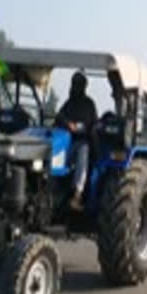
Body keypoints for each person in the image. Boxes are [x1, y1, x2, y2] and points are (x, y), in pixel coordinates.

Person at [55, 71, 98, 209]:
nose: (76, 87)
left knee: (83, 154)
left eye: (79, 84)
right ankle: (54, 189)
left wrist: (83, 127)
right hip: (67, 142)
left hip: (83, 141)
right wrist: (67, 123)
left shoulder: (89, 104)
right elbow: (60, 116)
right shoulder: (69, 103)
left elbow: (93, 123)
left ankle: (77, 194)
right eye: (74, 84)